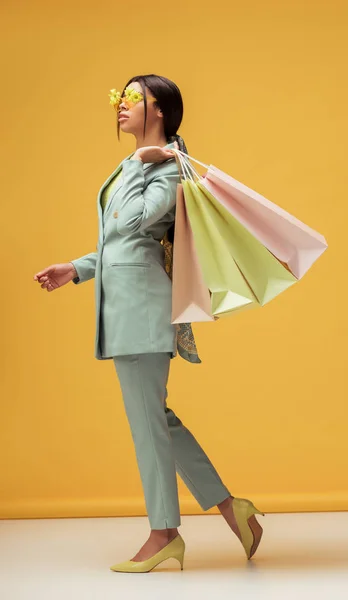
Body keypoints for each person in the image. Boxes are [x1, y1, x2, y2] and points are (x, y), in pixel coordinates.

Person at [33, 74, 264, 573]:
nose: (120, 105)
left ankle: (164, 533)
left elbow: (137, 222)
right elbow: (122, 245)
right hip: (124, 307)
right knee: (157, 420)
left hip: (141, 310)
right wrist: (76, 268)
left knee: (148, 426)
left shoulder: (167, 170)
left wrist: (141, 164)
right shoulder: (137, 165)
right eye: (120, 97)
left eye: (133, 98)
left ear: (159, 110)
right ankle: (232, 508)